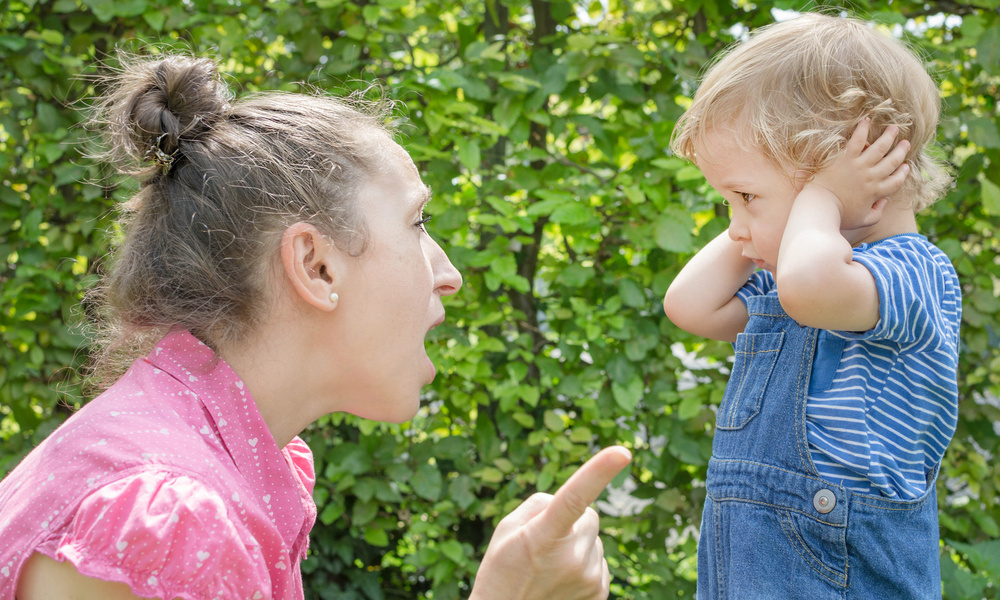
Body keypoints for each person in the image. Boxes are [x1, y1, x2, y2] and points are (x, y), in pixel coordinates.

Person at [0, 53, 632, 600]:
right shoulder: (174, 518)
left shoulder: (195, 455)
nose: (449, 275)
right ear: (315, 265)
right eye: (417, 224)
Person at [662, 13, 961, 599]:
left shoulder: (911, 276)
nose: (734, 227)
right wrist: (760, 219)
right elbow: (689, 306)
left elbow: (807, 285)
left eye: (745, 197)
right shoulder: (793, 280)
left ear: (858, 176)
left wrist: (821, 194)